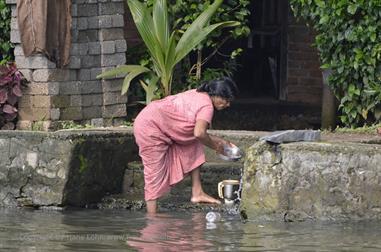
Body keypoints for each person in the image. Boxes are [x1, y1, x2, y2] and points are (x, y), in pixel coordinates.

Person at [133, 77, 239, 213]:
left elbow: (193, 132)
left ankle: (197, 192)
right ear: (216, 94)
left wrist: (220, 141)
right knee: (154, 172)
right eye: (226, 100)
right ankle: (152, 218)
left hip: (152, 120)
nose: (228, 104)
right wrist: (216, 146)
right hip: (150, 127)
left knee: (194, 144)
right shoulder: (207, 106)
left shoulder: (199, 94)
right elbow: (199, 133)